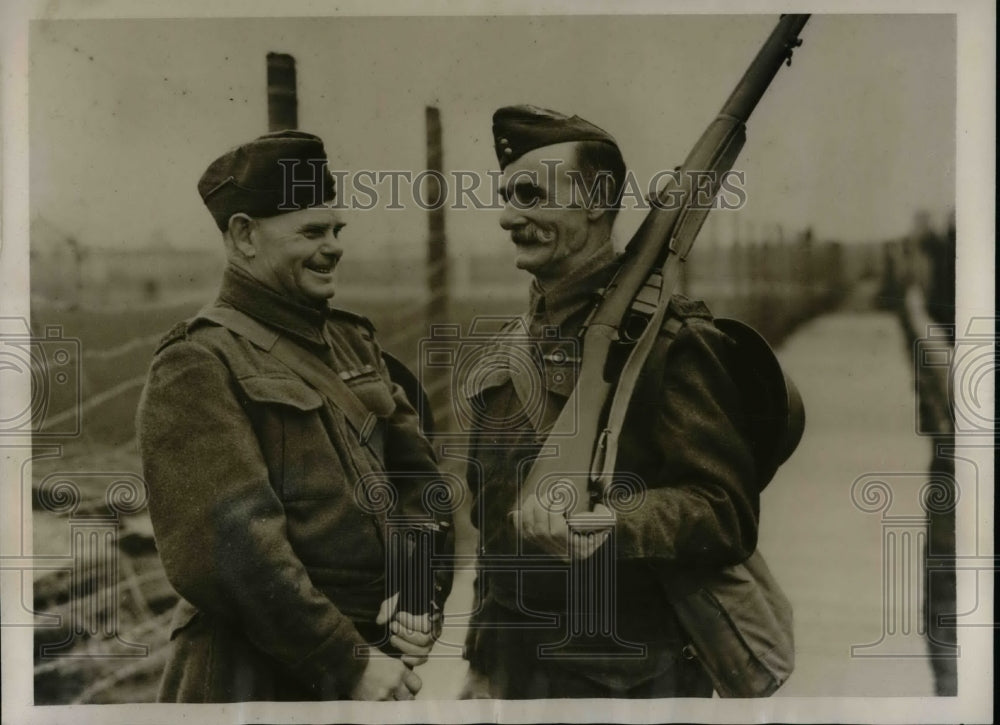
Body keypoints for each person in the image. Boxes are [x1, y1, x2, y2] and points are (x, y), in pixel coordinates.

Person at [137, 130, 450, 702]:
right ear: (244, 236)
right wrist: (346, 663)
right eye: (310, 232)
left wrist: (416, 591)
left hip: (372, 663)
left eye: (336, 230)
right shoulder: (198, 362)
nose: (333, 247)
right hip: (254, 679)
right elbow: (232, 552)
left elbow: (421, 485)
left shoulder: (353, 343)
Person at [459, 106, 759, 698]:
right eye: (505, 196)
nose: (507, 217)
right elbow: (494, 530)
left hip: (630, 680)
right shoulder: (507, 349)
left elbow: (725, 510)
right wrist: (480, 660)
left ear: (597, 198)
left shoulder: (672, 343)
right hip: (516, 674)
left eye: (529, 194)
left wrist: (612, 521)